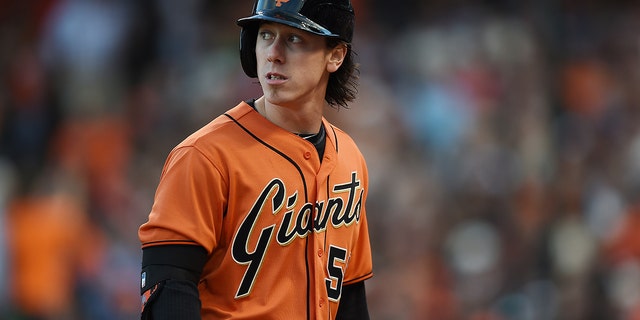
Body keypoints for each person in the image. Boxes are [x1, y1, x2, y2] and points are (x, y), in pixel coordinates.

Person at [138, 0, 373, 319]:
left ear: (335, 54)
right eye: (265, 35)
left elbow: (350, 295)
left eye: (294, 38)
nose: (273, 53)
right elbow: (168, 284)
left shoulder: (350, 158)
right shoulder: (204, 155)